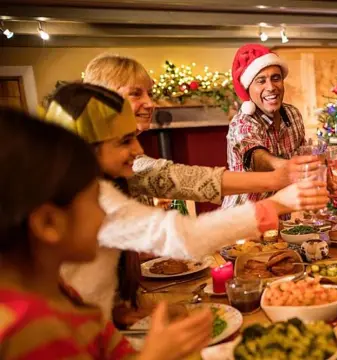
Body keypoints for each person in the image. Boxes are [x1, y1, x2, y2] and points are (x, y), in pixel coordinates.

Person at [44, 83, 328, 328]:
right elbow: (184, 236)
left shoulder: (91, 187)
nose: (139, 150)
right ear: (83, 148)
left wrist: (113, 312)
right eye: (125, 141)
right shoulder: (93, 200)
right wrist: (276, 204)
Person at [0, 107, 212, 360]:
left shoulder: (63, 293)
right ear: (48, 223)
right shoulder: (29, 329)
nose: (104, 215)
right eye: (95, 201)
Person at [82, 53, 310, 206]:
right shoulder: (90, 162)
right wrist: (276, 179)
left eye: (149, 93)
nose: (150, 103)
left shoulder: (292, 114)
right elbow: (179, 177)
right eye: (135, 93)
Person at [223, 44, 310, 208]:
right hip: (243, 217)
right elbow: (256, 157)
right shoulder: (242, 122)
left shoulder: (293, 115)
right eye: (261, 81)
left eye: (275, 78)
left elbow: (303, 153)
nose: (271, 87)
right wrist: (285, 166)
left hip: (280, 214)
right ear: (249, 88)